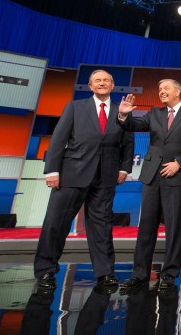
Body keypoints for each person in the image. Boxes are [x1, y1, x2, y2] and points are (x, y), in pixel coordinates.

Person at [35, 69, 134, 290]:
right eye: (97, 80)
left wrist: (125, 169)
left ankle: (105, 272)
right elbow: (59, 139)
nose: (102, 83)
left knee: (102, 226)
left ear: (112, 84)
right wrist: (52, 170)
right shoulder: (74, 107)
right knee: (56, 223)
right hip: (72, 174)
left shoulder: (122, 110)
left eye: (106, 80)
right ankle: (45, 272)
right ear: (90, 86)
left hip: (106, 176)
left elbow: (128, 143)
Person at [117, 79, 181, 291]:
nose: (161, 92)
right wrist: (123, 115)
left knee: (174, 228)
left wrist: (178, 163)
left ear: (178, 91)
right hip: (152, 175)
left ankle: (169, 275)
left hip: (177, 175)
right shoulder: (155, 113)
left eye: (166, 88)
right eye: (159, 89)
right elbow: (133, 126)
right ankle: (139, 275)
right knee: (146, 227)